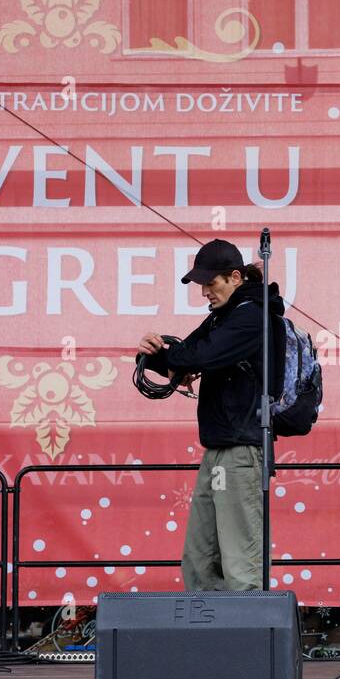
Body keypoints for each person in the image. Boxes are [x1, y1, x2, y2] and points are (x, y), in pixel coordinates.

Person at [138, 239, 285, 591]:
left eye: (211, 283)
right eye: (202, 284)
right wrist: (157, 356)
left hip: (241, 448)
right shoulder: (225, 317)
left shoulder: (252, 315)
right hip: (220, 447)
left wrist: (170, 358)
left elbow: (197, 355)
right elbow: (189, 352)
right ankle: (211, 636)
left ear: (235, 277)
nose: (205, 291)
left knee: (240, 561)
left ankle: (248, 641)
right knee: (200, 559)